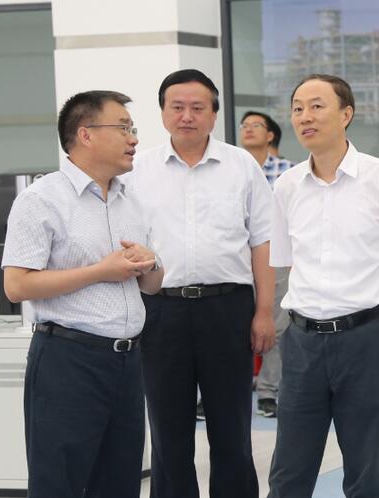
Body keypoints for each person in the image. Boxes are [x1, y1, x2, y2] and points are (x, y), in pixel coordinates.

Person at [267, 73, 379, 498]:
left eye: (317, 106)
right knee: (288, 473)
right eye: (298, 108)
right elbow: (288, 262)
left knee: (365, 472)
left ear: (346, 114)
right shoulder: (286, 186)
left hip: (367, 339)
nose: (305, 116)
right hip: (302, 342)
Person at [2, 90, 163, 497]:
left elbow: (152, 285)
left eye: (133, 129)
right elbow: (17, 285)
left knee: (120, 483)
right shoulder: (41, 199)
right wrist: (100, 272)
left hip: (127, 362)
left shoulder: (130, 199)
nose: (134, 139)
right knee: (61, 483)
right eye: (123, 128)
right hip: (68, 361)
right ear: (86, 134)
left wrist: (151, 264)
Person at [129, 69, 274, 498]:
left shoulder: (241, 166)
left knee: (232, 428)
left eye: (197, 107)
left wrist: (264, 311)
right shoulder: (137, 170)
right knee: (168, 430)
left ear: (214, 114)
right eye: (177, 107)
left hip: (227, 308)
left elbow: (263, 242)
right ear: (162, 113)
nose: (187, 116)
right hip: (161, 309)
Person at [239, 110, 294, 417]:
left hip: (276, 257)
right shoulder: (233, 169)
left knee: (276, 324)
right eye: (244, 125)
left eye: (256, 125)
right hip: (235, 258)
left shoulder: (288, 171)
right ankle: (220, 392)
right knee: (232, 325)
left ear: (270, 135)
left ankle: (268, 392)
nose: (248, 129)